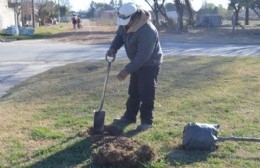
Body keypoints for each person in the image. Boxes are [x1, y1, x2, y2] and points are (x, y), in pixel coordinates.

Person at [106, 2, 163, 131]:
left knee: (146, 92)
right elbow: (119, 37)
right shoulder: (125, 24)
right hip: (136, 62)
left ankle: (146, 121)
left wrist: (127, 70)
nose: (124, 25)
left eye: (126, 22)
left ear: (135, 17)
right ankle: (129, 117)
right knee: (134, 92)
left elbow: (143, 56)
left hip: (150, 64)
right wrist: (113, 49)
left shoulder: (148, 31)